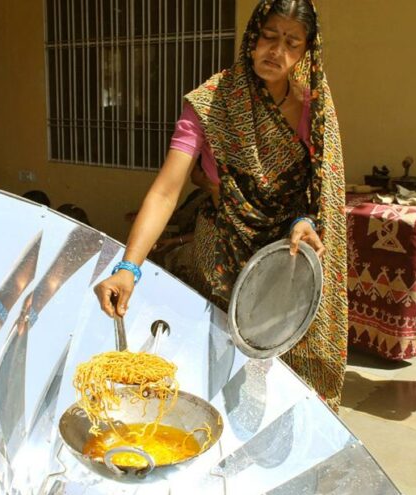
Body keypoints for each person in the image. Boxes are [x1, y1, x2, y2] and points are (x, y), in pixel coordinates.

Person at [94, 0, 348, 409]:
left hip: (284, 258)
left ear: (305, 52)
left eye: (291, 42)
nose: (276, 52)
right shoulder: (212, 102)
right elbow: (165, 191)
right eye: (269, 36)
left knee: (278, 371)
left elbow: (317, 187)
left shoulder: (312, 110)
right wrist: (129, 267)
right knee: (216, 362)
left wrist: (305, 219)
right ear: (252, 37)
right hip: (221, 251)